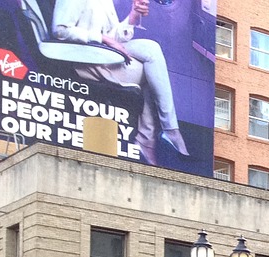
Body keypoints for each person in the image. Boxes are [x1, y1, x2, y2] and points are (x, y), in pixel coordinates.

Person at [52, 0, 189, 166]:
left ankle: (163, 134)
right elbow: (60, 30)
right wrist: (102, 38)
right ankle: (158, 136)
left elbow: (113, 37)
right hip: (86, 59)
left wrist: (133, 15)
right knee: (151, 73)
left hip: (103, 54)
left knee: (152, 49)